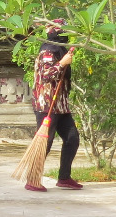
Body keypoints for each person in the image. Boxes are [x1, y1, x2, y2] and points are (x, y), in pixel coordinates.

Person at [29, 20, 82, 192]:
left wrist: (64, 60)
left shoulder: (61, 49)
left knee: (72, 138)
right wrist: (63, 63)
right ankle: (32, 179)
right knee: (46, 142)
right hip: (47, 104)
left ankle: (64, 178)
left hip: (61, 104)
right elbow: (46, 75)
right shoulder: (48, 50)